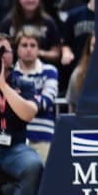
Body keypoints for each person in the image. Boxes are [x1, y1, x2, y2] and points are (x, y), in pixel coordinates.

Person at [0, 32, 43, 195]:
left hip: (14, 148)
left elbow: (29, 113)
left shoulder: (23, 82)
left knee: (33, 165)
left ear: (12, 55)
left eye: (2, 51)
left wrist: (2, 84)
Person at [11, 27, 58, 163]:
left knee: (46, 178)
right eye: (24, 45)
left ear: (38, 49)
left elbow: (47, 101)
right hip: (16, 137)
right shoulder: (11, 73)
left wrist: (20, 100)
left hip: (44, 136)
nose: (28, 49)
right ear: (17, 49)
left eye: (33, 45)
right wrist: (35, 98)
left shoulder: (50, 71)